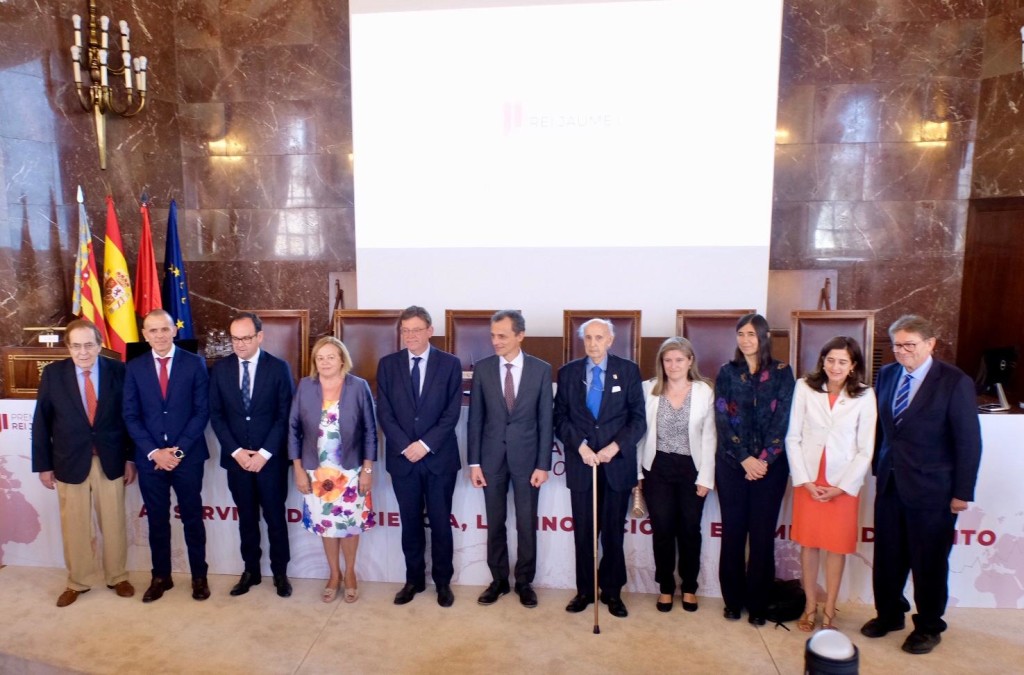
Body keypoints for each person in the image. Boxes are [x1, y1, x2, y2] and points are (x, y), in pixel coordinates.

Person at [860, 315, 981, 655]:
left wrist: (962, 492)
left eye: (909, 345)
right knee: (888, 558)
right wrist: (877, 469)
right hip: (891, 484)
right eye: (896, 345)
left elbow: (968, 442)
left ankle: (928, 625)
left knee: (928, 562)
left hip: (934, 491)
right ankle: (889, 615)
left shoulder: (954, 382)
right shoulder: (886, 375)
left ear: (930, 344)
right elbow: (883, 430)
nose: (901, 352)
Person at [31, 319, 136, 607]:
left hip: (111, 460)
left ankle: (117, 576)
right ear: (68, 347)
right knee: (75, 525)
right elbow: (41, 422)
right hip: (68, 461)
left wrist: (130, 457)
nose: (83, 352)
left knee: (113, 522)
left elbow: (129, 418)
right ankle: (78, 581)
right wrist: (43, 465)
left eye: (89, 344)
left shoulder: (119, 371)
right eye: (76, 346)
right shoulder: (53, 374)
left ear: (100, 345)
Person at [554, 318, 646, 619]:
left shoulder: (629, 371)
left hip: (615, 465)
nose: (593, 343)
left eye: (599, 338)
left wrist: (613, 447)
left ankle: (612, 592)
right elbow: (561, 418)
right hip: (582, 466)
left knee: (613, 536)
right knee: (584, 533)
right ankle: (585, 590)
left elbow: (637, 420)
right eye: (588, 338)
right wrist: (580, 446)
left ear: (610, 340)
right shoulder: (568, 373)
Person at [785, 336, 876, 632]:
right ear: (822, 361)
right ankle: (810, 606)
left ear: (853, 366)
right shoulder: (804, 387)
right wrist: (805, 480)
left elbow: (866, 448)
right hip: (809, 481)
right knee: (809, 546)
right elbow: (793, 437)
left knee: (836, 549)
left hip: (842, 486)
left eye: (842, 362)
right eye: (830, 360)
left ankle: (830, 611)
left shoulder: (865, 395)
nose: (835, 366)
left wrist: (843, 486)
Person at [376, 306, 462, 607]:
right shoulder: (387, 365)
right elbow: (384, 412)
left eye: (415, 329)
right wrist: (405, 445)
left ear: (429, 330)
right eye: (405, 330)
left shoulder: (450, 364)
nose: (410, 335)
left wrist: (424, 445)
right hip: (403, 460)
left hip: (439, 459)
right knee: (410, 523)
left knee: (440, 523)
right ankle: (413, 580)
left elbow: (452, 412)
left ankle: (442, 583)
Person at [467, 310, 553, 608]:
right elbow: (475, 420)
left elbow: (546, 422)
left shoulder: (541, 370)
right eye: (492, 335)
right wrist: (474, 462)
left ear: (520, 335)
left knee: (527, 524)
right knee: (496, 522)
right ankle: (499, 580)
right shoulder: (484, 369)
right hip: (491, 460)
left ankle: (525, 582)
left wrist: (543, 464)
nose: (495, 341)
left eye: (502, 335)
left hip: (528, 461)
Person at [123, 309, 211, 602]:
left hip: (187, 457)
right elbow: (130, 416)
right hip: (151, 461)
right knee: (157, 520)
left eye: (164, 329)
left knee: (192, 519)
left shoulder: (195, 364)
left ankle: (199, 576)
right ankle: (161, 576)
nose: (159, 335)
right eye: (153, 330)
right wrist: (154, 453)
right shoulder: (133, 368)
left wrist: (178, 451)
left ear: (175, 331)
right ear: (145, 335)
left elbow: (202, 412)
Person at [714, 312, 794, 625]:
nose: (746, 340)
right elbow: (723, 417)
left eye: (752, 334)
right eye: (741, 334)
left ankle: (758, 604)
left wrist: (763, 460)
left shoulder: (782, 372)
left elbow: (783, 420)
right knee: (733, 534)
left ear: (764, 337)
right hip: (732, 465)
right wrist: (745, 458)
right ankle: (732, 601)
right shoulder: (726, 372)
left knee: (762, 537)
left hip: (770, 468)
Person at [209, 312, 295, 598]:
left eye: (246, 338)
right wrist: (236, 452)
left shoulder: (278, 368)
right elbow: (217, 415)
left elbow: (285, 415)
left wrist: (264, 453)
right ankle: (250, 571)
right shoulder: (220, 370)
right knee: (246, 517)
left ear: (260, 336)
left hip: (269, 461)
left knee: (274, 516)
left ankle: (280, 573)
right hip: (237, 462)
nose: (240, 344)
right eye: (235, 338)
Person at [290, 336, 377, 603]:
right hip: (317, 471)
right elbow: (293, 428)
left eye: (331, 356)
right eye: (320, 357)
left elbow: (370, 431)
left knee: (349, 525)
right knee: (327, 524)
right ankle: (334, 574)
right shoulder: (306, 386)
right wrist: (298, 469)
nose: (325, 362)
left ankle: (350, 573)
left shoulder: (358, 386)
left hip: (350, 470)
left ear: (342, 359)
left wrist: (367, 470)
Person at [637, 337, 715, 613]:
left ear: (690, 361)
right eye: (668, 360)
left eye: (679, 359)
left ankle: (690, 587)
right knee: (663, 531)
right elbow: (640, 434)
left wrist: (706, 477)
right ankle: (666, 587)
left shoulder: (705, 391)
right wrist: (638, 473)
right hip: (657, 469)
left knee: (690, 530)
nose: (673, 365)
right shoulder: (648, 389)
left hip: (692, 469)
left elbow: (710, 437)